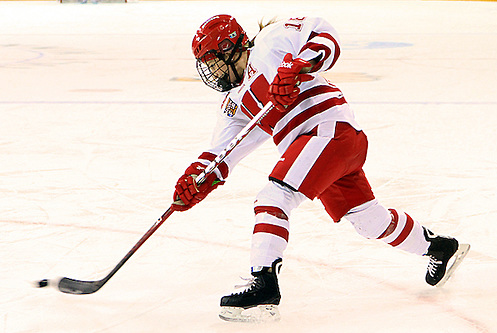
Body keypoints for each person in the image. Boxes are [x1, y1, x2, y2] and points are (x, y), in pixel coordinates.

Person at [171, 15, 470, 322]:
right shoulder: (234, 104)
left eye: (213, 61)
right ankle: (439, 247)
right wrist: (195, 180)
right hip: (323, 151)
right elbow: (220, 155)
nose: (212, 72)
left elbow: (325, 34)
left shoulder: (270, 43)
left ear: (229, 48)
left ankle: (264, 285)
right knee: (369, 221)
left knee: (272, 199)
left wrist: (299, 66)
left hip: (329, 131)